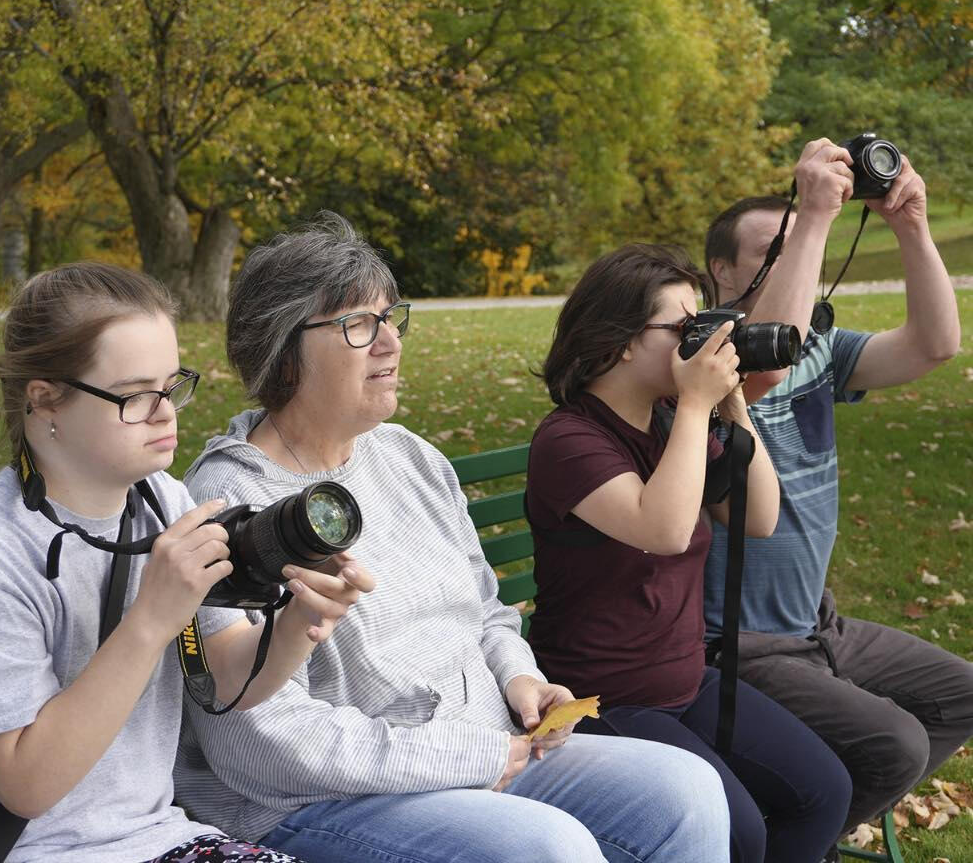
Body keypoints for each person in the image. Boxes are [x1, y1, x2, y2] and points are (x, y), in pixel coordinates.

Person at [175, 212, 732, 863]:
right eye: (359, 325)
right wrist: (465, 755)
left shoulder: (407, 456)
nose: (391, 344)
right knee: (546, 849)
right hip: (322, 799)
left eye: (391, 318)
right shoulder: (229, 507)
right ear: (282, 348)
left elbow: (486, 612)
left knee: (686, 790)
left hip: (488, 745)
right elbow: (259, 742)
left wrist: (520, 678)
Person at [0, 262, 373, 863]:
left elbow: (228, 678)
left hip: (154, 839)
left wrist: (302, 619)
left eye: (171, 386)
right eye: (136, 395)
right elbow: (25, 785)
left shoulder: (162, 502)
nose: (166, 412)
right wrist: (150, 620)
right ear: (45, 401)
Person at [525, 243, 852, 863]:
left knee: (823, 792)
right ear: (623, 341)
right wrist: (697, 407)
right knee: (740, 832)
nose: (701, 343)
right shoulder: (570, 439)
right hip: (604, 698)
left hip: (685, 679)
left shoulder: (669, 421)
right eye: (683, 330)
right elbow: (666, 530)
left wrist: (732, 406)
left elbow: (758, 517)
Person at [703, 137, 972, 837]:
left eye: (798, 244)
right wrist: (815, 217)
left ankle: (801, 826)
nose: (794, 256)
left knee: (960, 695)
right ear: (720, 269)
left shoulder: (820, 347)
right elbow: (764, 365)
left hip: (814, 624)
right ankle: (789, 837)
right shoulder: (701, 356)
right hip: (733, 642)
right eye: (772, 249)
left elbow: (934, 346)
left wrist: (911, 225)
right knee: (895, 745)